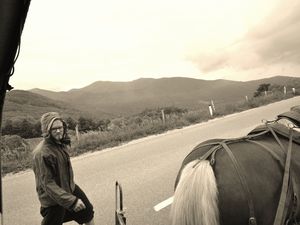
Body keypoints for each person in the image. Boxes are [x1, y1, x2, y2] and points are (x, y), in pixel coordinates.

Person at [32, 112, 95, 225]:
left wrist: (71, 196)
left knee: (88, 212)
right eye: (54, 128)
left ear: (63, 127)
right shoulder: (42, 153)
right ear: (47, 130)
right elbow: (48, 184)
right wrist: (72, 201)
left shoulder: (59, 143)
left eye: (60, 127)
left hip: (69, 188)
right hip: (53, 199)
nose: (58, 131)